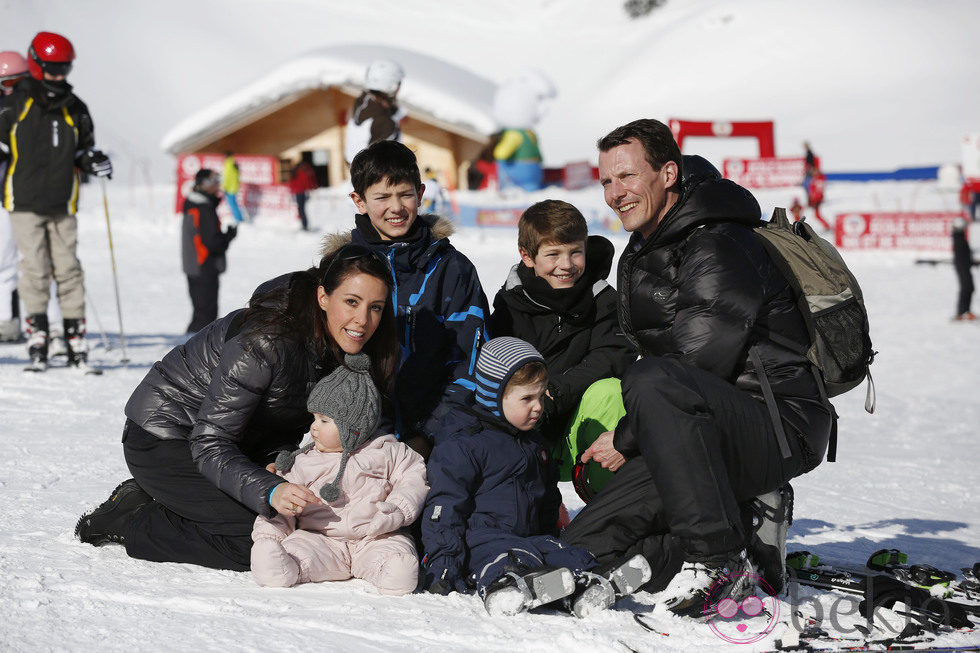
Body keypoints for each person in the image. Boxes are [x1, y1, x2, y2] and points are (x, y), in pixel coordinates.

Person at [560, 119, 833, 618]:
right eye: (606, 182)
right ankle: (733, 533)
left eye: (627, 177)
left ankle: (718, 560)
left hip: (776, 424)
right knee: (587, 541)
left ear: (668, 174)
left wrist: (624, 440)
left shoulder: (717, 245)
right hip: (698, 427)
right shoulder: (653, 241)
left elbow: (694, 362)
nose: (615, 193)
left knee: (651, 379)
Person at [74, 244, 400, 572]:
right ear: (323, 297)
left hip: (236, 441)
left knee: (293, 524)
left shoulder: (342, 347)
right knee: (257, 539)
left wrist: (277, 463)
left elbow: (286, 422)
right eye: (352, 302)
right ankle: (132, 520)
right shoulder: (267, 340)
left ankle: (177, 500)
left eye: (376, 307)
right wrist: (269, 490)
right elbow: (209, 441)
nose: (363, 320)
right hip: (167, 435)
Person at [420, 337, 651, 617]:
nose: (538, 406)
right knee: (508, 559)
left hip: (531, 536)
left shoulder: (534, 444)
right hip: (482, 538)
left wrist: (552, 536)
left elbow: (547, 498)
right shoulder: (464, 444)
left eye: (541, 396)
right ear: (494, 395)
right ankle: (505, 589)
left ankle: (589, 584)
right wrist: (444, 563)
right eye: (527, 398)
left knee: (566, 554)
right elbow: (445, 506)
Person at [330, 139, 489, 457]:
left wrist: (428, 434)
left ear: (420, 193)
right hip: (359, 436)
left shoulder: (450, 268)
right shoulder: (340, 270)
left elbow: (472, 361)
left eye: (405, 194)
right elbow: (323, 360)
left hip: (438, 434)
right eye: (382, 197)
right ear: (359, 201)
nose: (396, 207)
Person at [489, 199, 635, 496]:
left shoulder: (604, 300)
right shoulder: (510, 306)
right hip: (527, 426)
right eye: (553, 254)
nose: (566, 265)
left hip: (576, 426)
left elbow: (612, 356)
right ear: (527, 257)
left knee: (610, 391)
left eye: (575, 253)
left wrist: (555, 392)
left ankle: (608, 503)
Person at [251, 352, 428, 594]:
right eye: (313, 418)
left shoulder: (387, 452)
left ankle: (391, 571)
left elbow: (413, 480)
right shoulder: (303, 460)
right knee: (300, 549)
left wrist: (397, 510)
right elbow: (284, 503)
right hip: (321, 538)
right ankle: (283, 566)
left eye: (324, 421)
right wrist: (269, 537)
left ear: (354, 427)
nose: (313, 427)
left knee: (395, 552)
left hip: (374, 535)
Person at [0, 32, 112, 369]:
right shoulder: (14, 104)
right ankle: (38, 335)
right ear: (36, 64)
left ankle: (74, 335)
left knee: (69, 270)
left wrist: (93, 160)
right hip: (24, 201)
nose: (59, 75)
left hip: (63, 202)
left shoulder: (76, 108)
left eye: (65, 68)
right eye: (52, 68)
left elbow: (83, 149)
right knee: (34, 270)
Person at [182, 168, 237, 333]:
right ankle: (192, 353)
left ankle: (190, 351)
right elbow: (212, 242)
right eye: (214, 181)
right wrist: (228, 237)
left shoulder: (198, 203)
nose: (218, 184)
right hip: (203, 265)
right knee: (205, 315)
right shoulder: (203, 207)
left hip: (196, 265)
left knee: (202, 313)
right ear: (203, 184)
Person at [344, 59, 406, 165]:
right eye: (398, 84)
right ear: (391, 86)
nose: (399, 88)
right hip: (371, 179)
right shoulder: (385, 124)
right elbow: (380, 167)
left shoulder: (362, 103)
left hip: (354, 172)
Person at [952, 217, 976, 321]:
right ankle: (962, 312)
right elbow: (963, 257)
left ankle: (965, 311)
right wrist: (970, 262)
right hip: (963, 267)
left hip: (964, 266)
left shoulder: (959, 237)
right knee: (967, 288)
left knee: (969, 288)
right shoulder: (959, 239)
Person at [288, 157, 318, 231]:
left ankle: (304, 225)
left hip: (298, 192)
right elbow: (306, 182)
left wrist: (291, 191)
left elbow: (292, 182)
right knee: (302, 209)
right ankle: (304, 225)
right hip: (302, 192)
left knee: (301, 209)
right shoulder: (302, 171)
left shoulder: (295, 171)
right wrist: (309, 190)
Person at [222, 151, 245, 224]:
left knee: (233, 204)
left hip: (230, 188)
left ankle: (239, 219)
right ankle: (238, 219)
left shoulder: (229, 163)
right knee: (233, 204)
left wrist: (224, 186)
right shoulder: (232, 163)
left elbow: (227, 177)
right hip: (233, 187)